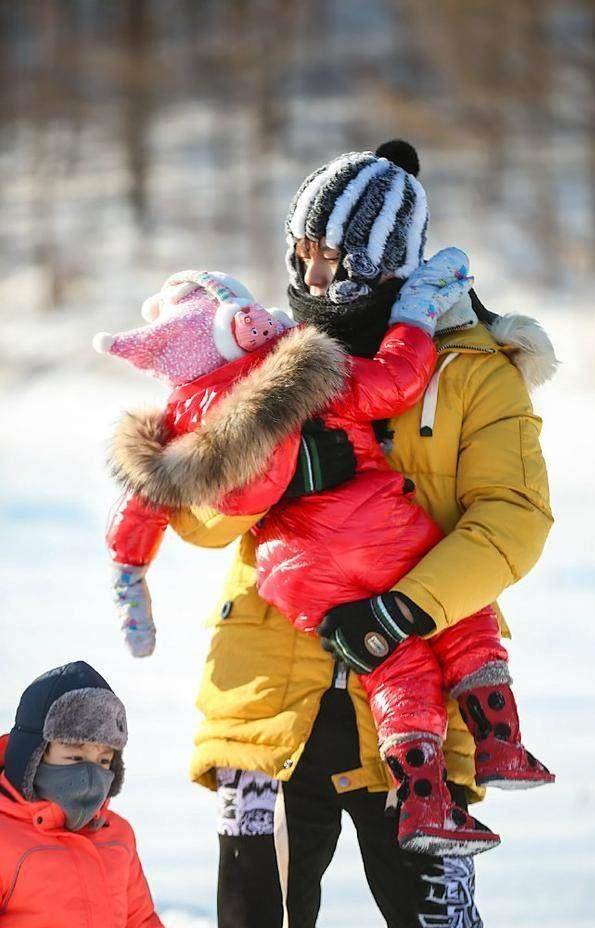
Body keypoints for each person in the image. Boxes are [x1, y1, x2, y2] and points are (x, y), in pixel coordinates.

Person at [164, 140, 555, 927]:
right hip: (269, 706)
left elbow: (513, 517)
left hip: (423, 705)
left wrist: (402, 612)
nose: (310, 281)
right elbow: (193, 514)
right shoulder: (268, 363)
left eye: (331, 259)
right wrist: (279, 471)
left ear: (385, 264)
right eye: (300, 256)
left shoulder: (474, 372)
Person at [0, 660, 164, 927]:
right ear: (33, 756)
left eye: (103, 761)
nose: (89, 777)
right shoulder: (4, 839)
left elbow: (141, 919)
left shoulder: (118, 835)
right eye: (75, 756)